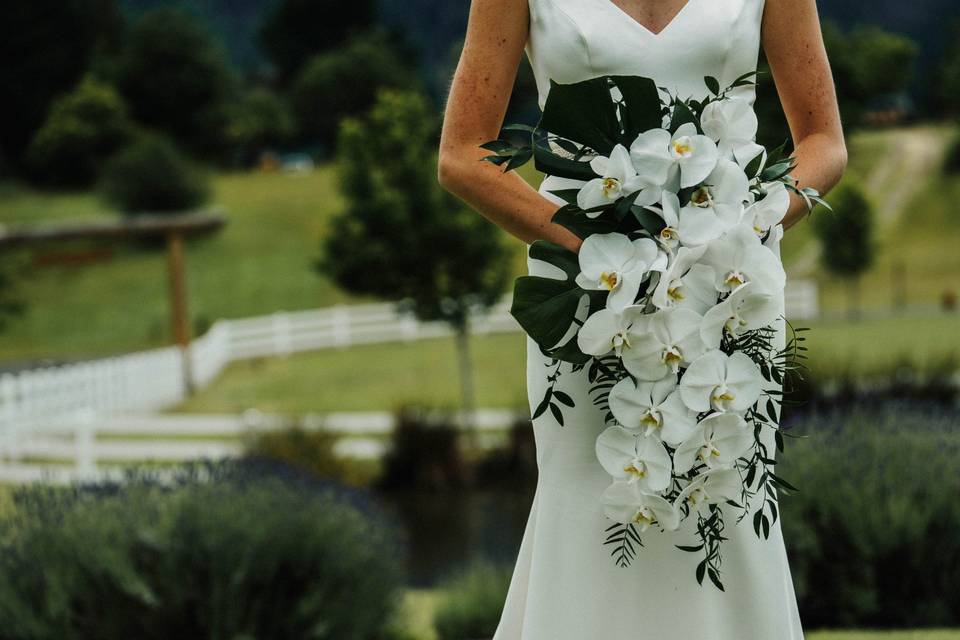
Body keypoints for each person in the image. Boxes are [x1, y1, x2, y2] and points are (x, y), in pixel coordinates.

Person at [437, 0, 847, 637]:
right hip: (590, 289)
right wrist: (604, 251)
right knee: (590, 500)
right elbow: (462, 154)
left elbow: (824, 143)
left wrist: (746, 227)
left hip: (724, 286)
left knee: (724, 496)